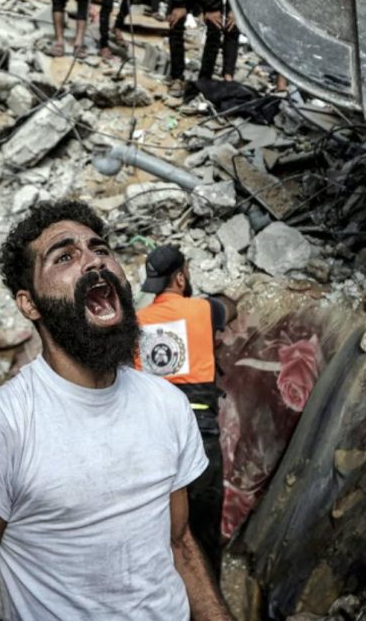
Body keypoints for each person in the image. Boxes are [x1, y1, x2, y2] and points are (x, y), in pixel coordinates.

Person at [0, 199, 235, 621]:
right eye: (65, 256)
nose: (94, 262)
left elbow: (180, 543)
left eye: (101, 249)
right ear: (30, 304)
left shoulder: (166, 404)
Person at [135, 244, 237, 577]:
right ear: (180, 277)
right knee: (204, 533)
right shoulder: (204, 310)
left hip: (152, 439)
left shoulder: (135, 324)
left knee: (161, 534)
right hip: (200, 433)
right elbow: (229, 309)